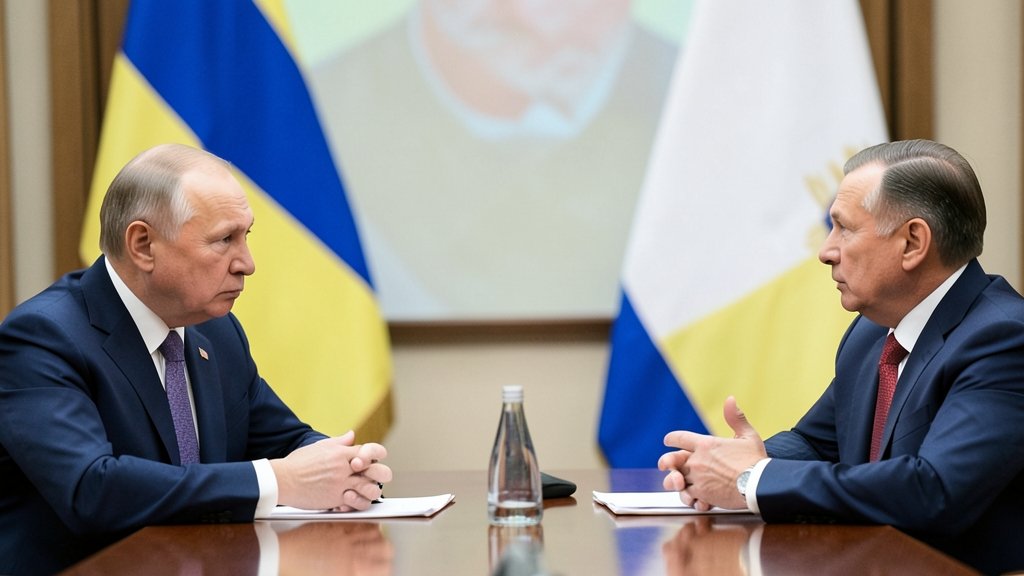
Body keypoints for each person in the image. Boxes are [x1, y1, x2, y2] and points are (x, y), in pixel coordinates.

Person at [0, 143, 392, 575]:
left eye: (246, 236)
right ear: (143, 245)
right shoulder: (42, 337)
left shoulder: (215, 331)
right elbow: (92, 489)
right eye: (225, 239)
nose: (247, 263)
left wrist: (340, 466)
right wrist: (281, 480)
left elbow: (284, 440)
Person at [658, 139, 1024, 574]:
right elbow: (817, 442)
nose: (825, 251)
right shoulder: (872, 333)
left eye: (844, 228)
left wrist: (751, 479)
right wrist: (725, 462)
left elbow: (933, 490)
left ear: (912, 242)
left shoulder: (1004, 339)